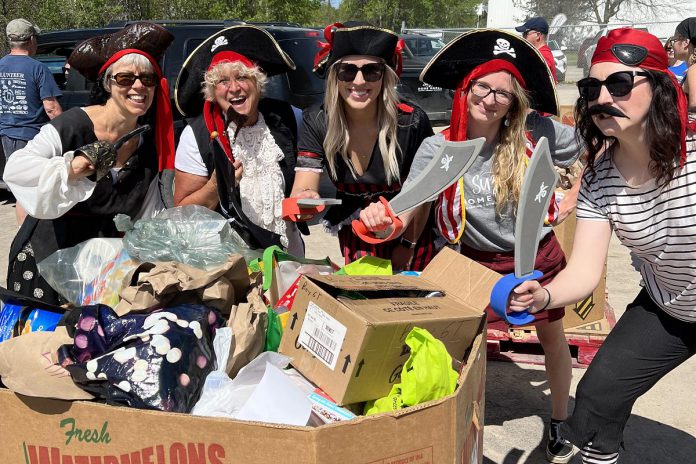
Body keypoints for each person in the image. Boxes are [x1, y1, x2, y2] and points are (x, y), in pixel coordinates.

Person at [357, 29, 581, 463]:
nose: (491, 99)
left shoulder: (537, 132)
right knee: (462, 346)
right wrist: (381, 220)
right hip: (473, 262)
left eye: (503, 92)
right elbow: (406, 210)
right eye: (483, 86)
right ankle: (459, 421)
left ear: (514, 100)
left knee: (552, 337)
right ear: (466, 87)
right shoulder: (437, 148)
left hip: (537, 258)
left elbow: (595, 146)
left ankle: (558, 419)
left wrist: (575, 197)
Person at [509, 28, 696, 464]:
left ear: (661, 87)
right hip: (671, 308)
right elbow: (585, 270)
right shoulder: (598, 180)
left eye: (620, 84)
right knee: (596, 398)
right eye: (592, 88)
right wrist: (545, 294)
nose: (602, 98)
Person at [4, 22, 176, 304]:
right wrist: (71, 169)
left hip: (104, 266)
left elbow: (148, 214)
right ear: (108, 83)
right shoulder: (72, 125)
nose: (138, 86)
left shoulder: (147, 143)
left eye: (147, 79)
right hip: (50, 260)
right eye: (125, 79)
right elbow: (17, 168)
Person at [290, 23, 435, 270]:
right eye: (347, 71)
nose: (358, 81)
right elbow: (304, 185)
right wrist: (305, 199)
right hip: (355, 232)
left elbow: (424, 193)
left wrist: (407, 245)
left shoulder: (411, 121)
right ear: (335, 76)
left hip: (411, 232)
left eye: (371, 71)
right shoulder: (317, 120)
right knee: (362, 297)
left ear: (384, 76)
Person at [173, 25, 304, 256]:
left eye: (243, 77)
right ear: (213, 92)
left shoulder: (289, 117)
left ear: (258, 83)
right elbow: (183, 213)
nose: (234, 88)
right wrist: (217, 184)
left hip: (288, 255)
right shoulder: (196, 136)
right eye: (223, 81)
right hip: (229, 262)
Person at [0, 18, 63, 224]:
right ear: (31, 40)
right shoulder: (37, 68)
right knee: (32, 190)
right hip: (33, 137)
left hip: (7, 135)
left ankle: (23, 240)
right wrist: (66, 130)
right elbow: (51, 107)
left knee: (20, 187)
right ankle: (29, 239)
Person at [516, 16, 557, 82]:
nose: (523, 38)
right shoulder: (538, 53)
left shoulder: (542, 56)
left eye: (525, 34)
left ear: (538, 35)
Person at [673, 17, 696, 112]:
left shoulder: (694, 69)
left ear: (686, 42)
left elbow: (694, 107)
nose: (672, 45)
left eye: (674, 40)